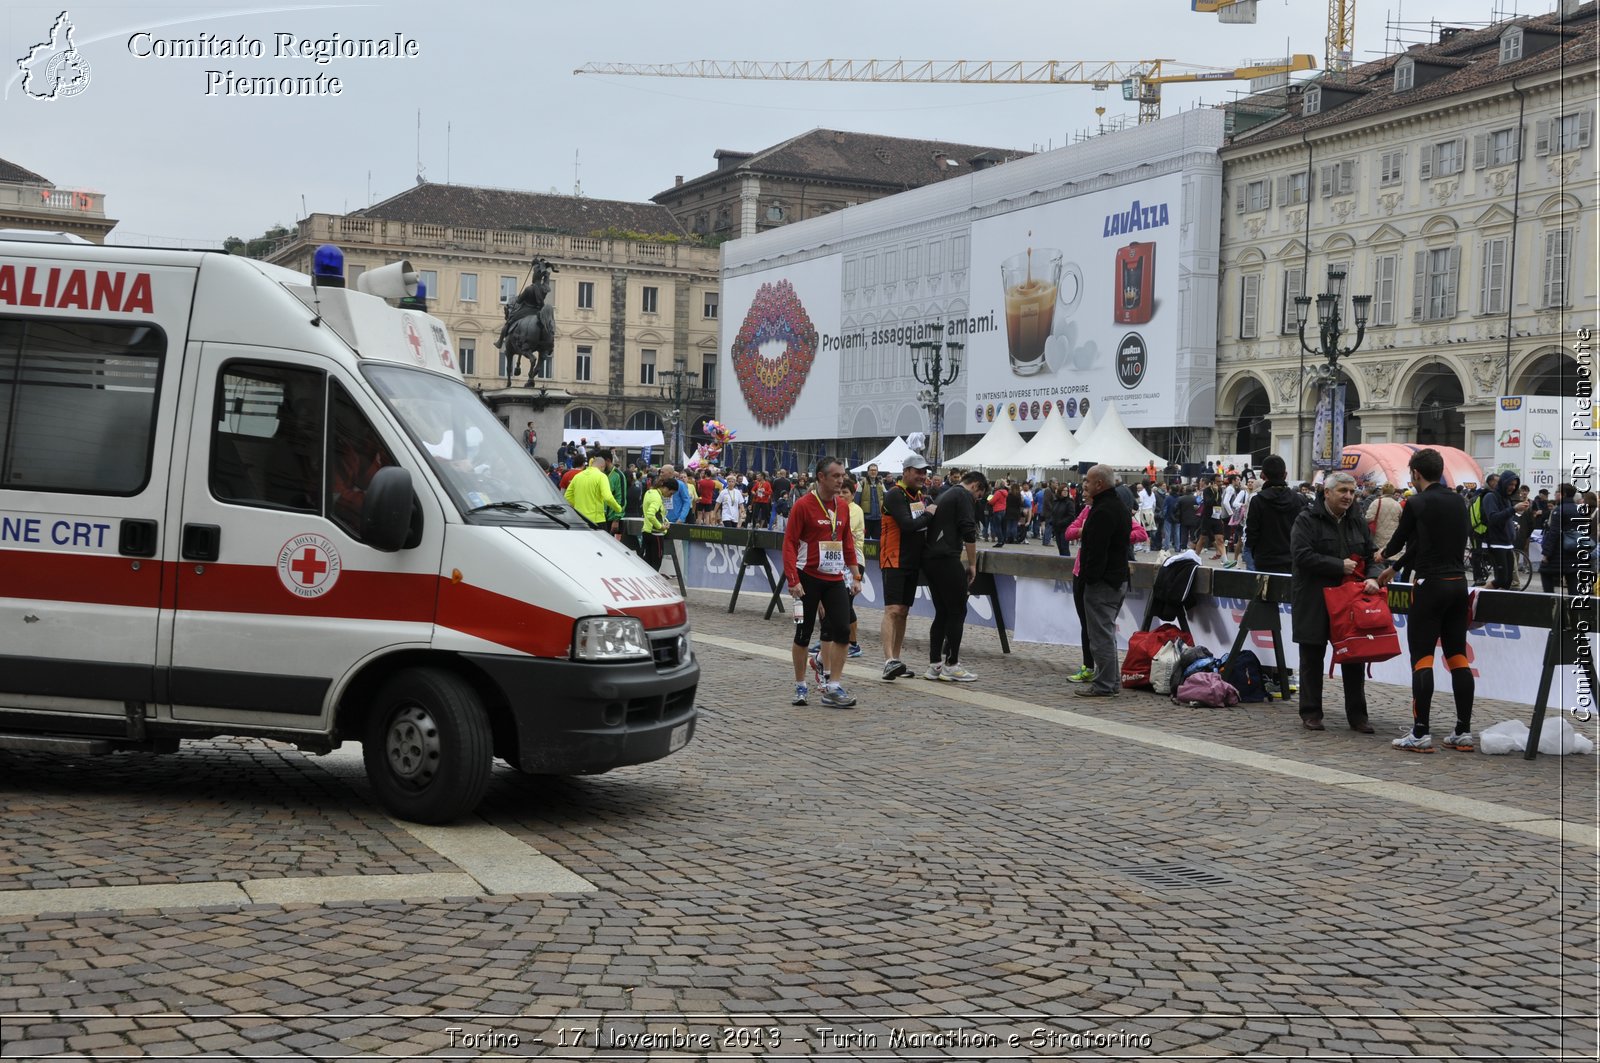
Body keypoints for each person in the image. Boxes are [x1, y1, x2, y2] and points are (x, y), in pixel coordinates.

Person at [1375, 447, 1474, 753]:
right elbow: (1421, 544)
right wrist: (1396, 568)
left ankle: (1420, 732)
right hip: (1458, 584)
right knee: (1458, 656)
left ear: (1416, 473)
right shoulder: (1459, 500)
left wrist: (1384, 556)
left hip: (1430, 585)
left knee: (1422, 658)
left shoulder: (1416, 502)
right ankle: (1463, 731)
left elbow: (1402, 540)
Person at [1290, 470, 1384, 733]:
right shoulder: (1306, 520)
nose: (1348, 496)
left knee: (1355, 657)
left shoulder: (1357, 521)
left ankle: (1358, 717)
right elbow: (1301, 556)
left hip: (1350, 602)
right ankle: (1311, 713)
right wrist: (1337, 565)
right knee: (1312, 656)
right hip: (1314, 599)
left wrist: (1374, 577)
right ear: (1327, 493)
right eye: (1343, 491)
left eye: (1352, 492)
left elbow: (1371, 555)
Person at [782, 457, 861, 709]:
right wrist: (792, 579)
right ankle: (800, 684)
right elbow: (789, 543)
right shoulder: (803, 506)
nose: (841, 480)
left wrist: (855, 575)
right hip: (807, 578)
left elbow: (846, 543)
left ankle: (833, 687)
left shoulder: (843, 507)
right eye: (836, 476)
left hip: (835, 577)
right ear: (821, 477)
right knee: (803, 634)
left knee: (842, 631)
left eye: (842, 476)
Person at [1073, 465, 1133, 698]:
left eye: (1087, 481)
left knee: (1100, 636)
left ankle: (1105, 684)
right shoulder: (1116, 506)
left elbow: (1097, 551)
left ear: (1099, 484)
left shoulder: (1103, 510)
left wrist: (1089, 578)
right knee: (1104, 633)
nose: (1084, 485)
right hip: (1115, 578)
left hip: (1103, 582)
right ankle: (1109, 680)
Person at [920, 471, 985, 681]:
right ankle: (952, 664)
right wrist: (972, 563)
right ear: (976, 486)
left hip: (930, 558)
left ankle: (935, 665)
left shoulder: (945, 494)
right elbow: (969, 531)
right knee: (957, 611)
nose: (977, 500)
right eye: (979, 496)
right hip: (947, 558)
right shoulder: (963, 496)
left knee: (942, 612)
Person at [878, 455, 937, 680]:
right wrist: (929, 514)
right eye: (918, 472)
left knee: (903, 612)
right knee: (892, 610)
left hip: (912, 561)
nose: (922, 476)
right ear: (906, 472)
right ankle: (888, 660)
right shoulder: (895, 494)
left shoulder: (919, 495)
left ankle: (896, 661)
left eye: (925, 473)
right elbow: (908, 525)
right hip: (894, 559)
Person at [1245, 456, 1302, 574]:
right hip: (1291, 559)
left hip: (1264, 560)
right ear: (1285, 475)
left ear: (1262, 475)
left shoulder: (1257, 501)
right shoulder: (1297, 499)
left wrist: (1254, 551)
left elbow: (1251, 533)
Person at [1481, 468, 1527, 589]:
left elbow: (1506, 517)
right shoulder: (1490, 497)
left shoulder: (1506, 499)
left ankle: (1500, 604)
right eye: (1511, 484)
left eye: (1515, 485)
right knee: (1501, 579)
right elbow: (1493, 518)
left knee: (1508, 581)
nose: (1512, 487)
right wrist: (1513, 509)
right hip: (1495, 543)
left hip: (1507, 544)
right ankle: (1478, 595)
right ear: (1504, 482)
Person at [1539, 482, 1585, 595]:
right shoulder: (1578, 510)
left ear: (1563, 494)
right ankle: (1574, 610)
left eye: (1557, 492)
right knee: (1573, 581)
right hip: (1574, 551)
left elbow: (1553, 533)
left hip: (1558, 553)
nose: (1555, 494)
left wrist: (1546, 553)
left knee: (1545, 572)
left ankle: (1551, 603)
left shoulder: (1558, 510)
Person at [564, 454, 621, 527]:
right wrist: (618, 508)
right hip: (597, 520)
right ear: (602, 466)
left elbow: (567, 497)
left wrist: (579, 506)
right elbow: (607, 497)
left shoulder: (577, 477)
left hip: (579, 519)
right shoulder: (601, 476)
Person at [640, 468, 671, 571]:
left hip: (646, 531)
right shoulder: (657, 497)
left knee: (646, 564)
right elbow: (650, 514)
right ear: (665, 488)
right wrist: (661, 526)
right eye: (671, 493)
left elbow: (655, 514)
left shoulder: (649, 492)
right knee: (655, 565)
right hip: (656, 534)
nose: (670, 496)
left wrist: (664, 521)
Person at [861, 464, 886, 542]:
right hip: (866, 518)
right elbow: (856, 500)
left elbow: (886, 498)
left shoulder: (881, 484)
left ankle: (878, 555)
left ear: (877, 472)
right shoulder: (862, 483)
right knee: (865, 540)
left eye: (875, 470)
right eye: (871, 470)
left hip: (878, 517)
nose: (873, 472)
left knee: (878, 541)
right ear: (868, 472)